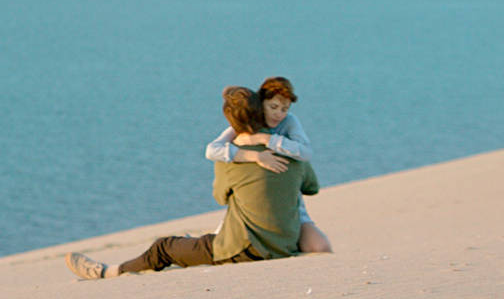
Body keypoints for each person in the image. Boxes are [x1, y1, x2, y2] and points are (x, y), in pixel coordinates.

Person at [67, 86, 320, 278]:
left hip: (245, 251)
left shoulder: (230, 158)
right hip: (285, 244)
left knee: (164, 247)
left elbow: (220, 197)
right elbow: (312, 187)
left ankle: (107, 272)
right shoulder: (294, 151)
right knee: (203, 239)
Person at [204, 76, 332, 254]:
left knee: (320, 248)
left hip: (292, 204)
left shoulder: (289, 122)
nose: (279, 114)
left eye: (284, 109)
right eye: (273, 107)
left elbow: (306, 153)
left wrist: (266, 139)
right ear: (260, 104)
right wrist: (255, 156)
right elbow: (212, 150)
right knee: (223, 242)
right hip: (249, 205)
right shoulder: (243, 124)